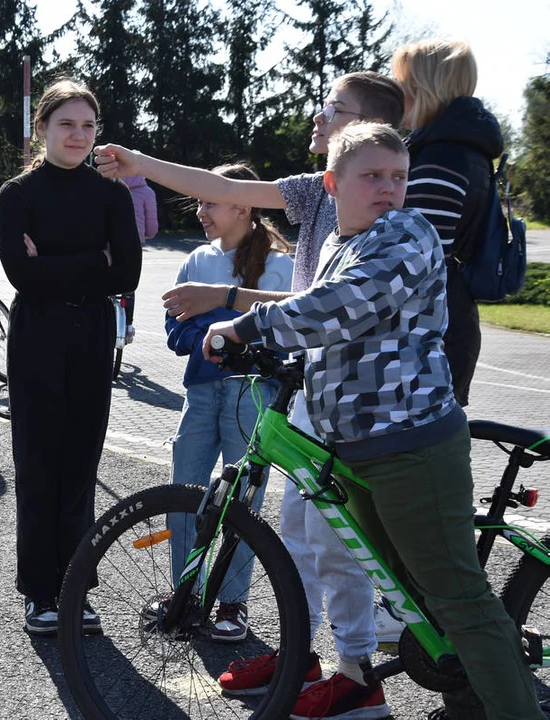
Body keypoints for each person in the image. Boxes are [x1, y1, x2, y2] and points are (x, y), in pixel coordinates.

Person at [206, 121, 543, 720]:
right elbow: (332, 320)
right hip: (362, 445)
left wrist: (247, 325)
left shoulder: (406, 232)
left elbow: (347, 302)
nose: (389, 188)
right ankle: (469, 703)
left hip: (411, 446)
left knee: (459, 600)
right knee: (415, 599)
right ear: (333, 183)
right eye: (372, 177)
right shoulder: (342, 239)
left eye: (398, 177)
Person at [95, 71, 404, 715]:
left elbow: (320, 304)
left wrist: (229, 303)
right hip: (318, 387)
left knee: (336, 538)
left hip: (358, 399)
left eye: (334, 110)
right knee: (297, 532)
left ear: (367, 133)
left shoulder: (381, 213)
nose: (318, 118)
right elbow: (225, 187)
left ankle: (356, 676)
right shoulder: (317, 194)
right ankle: (304, 651)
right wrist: (140, 163)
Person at [0, 79, 142, 636]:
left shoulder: (112, 194)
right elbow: (20, 272)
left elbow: (125, 273)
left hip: (91, 332)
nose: (79, 135)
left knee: (81, 465)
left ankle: (76, 588)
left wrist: (54, 263)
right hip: (36, 333)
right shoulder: (19, 194)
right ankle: (39, 592)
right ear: (42, 129)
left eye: (88, 125)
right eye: (66, 124)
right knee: (38, 463)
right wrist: (91, 260)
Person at [166, 164, 293, 642]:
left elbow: (285, 329)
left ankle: (233, 604)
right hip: (199, 392)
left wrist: (219, 316)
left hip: (251, 394)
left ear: (243, 204)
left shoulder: (279, 264)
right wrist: (220, 326)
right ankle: (185, 592)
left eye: (208, 201)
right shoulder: (196, 260)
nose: (200, 211)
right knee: (184, 494)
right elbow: (174, 330)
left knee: (242, 502)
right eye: (198, 201)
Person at [392, 38, 502, 408]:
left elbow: (417, 256)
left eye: (402, 84)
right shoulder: (464, 148)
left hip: (428, 335)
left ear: (422, 88)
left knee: (411, 462)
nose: (397, 94)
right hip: (448, 322)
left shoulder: (442, 154)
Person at [120, 174, 157, 343]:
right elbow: (151, 229)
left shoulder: (108, 185)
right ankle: (128, 326)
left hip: (106, 243)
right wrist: (144, 234)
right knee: (129, 286)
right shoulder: (146, 192)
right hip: (134, 244)